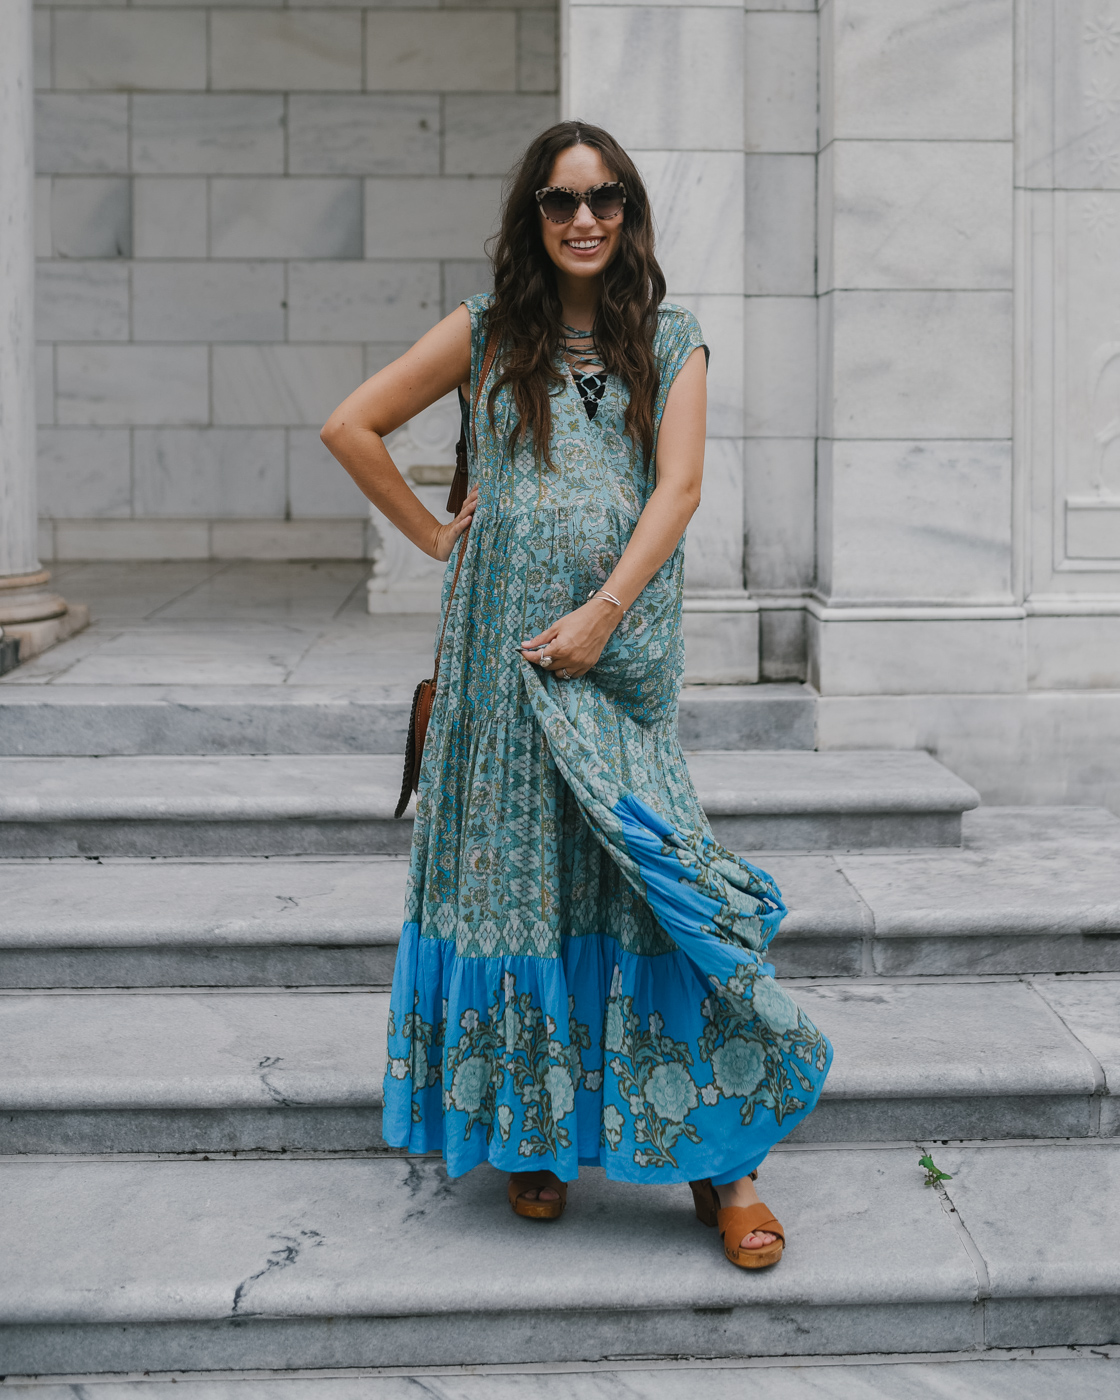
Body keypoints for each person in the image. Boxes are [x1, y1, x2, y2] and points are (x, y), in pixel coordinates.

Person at [321, 120, 832, 1270]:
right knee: (522, 894)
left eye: (602, 198)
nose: (584, 218)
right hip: (499, 678)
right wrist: (433, 534)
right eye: (560, 201)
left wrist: (602, 613)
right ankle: (533, 1133)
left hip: (617, 665)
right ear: (532, 219)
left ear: (630, 213)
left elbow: (681, 485)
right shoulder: (488, 330)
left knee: (651, 885)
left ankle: (726, 1162)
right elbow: (349, 425)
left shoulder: (675, 339)